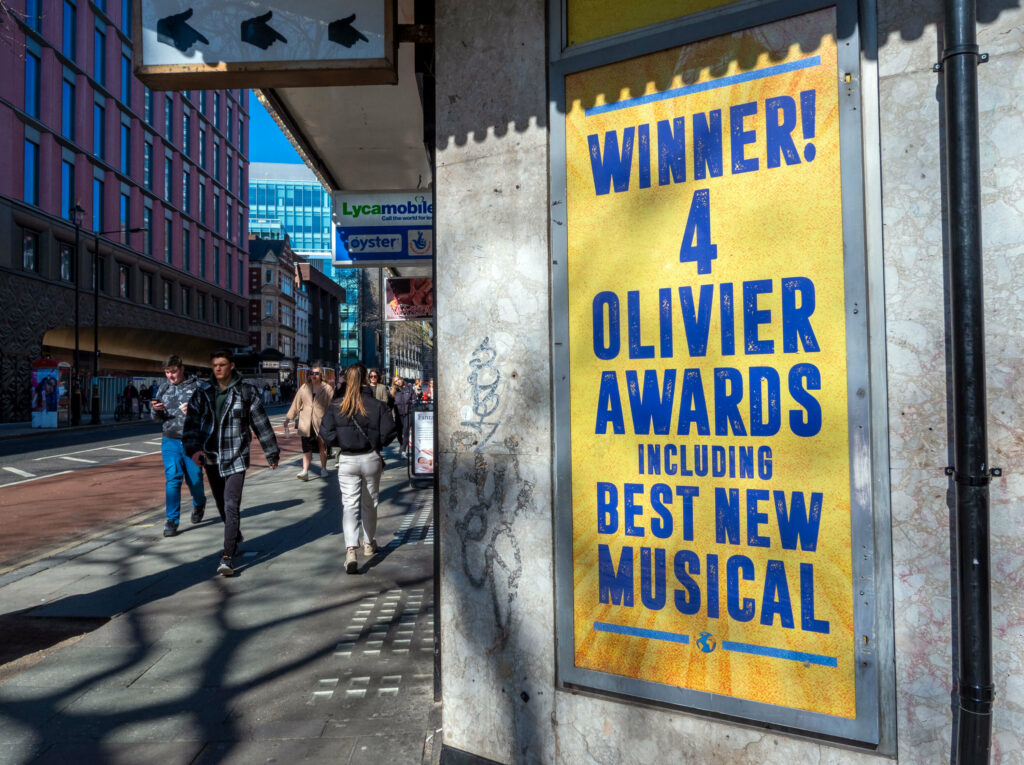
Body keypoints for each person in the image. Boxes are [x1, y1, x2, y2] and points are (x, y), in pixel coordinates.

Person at [184, 349, 280, 577]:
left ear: (232, 366)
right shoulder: (202, 392)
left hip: (236, 455)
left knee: (230, 505)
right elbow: (191, 423)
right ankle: (235, 535)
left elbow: (261, 422)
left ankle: (227, 556)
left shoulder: (246, 392)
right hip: (211, 456)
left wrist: (272, 453)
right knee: (220, 503)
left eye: (222, 364)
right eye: (214, 364)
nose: (217, 368)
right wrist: (193, 450)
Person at [319, 363, 398, 574]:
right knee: (370, 503)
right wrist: (376, 443)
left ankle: (351, 549)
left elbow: (325, 432)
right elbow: (389, 431)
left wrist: (342, 441)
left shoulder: (337, 405)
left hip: (347, 458)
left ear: (346, 379)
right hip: (371, 457)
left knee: (349, 505)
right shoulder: (377, 405)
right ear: (365, 379)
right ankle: (369, 543)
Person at [152, 355, 207, 537]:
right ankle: (172, 520)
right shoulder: (163, 388)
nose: (171, 376)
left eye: (173, 371)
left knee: (195, 480)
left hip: (193, 441)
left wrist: (196, 411)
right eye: (167, 372)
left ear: (182, 369)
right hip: (170, 439)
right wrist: (155, 410)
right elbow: (156, 418)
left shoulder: (198, 386)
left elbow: (211, 414)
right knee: (173, 478)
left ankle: (199, 503)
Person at [285, 361, 335, 481]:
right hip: (305, 422)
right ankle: (305, 471)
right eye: (312, 373)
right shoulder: (304, 387)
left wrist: (332, 422)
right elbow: (296, 404)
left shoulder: (327, 388)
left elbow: (331, 407)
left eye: (316, 373)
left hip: (320, 422)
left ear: (321, 375)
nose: (314, 375)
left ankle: (323, 469)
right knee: (306, 447)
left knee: (321, 446)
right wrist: (288, 418)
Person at [391, 376, 415, 455]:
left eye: (399, 380)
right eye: (396, 381)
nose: (398, 382)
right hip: (398, 414)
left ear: (401, 379)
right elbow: (390, 403)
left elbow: (414, 399)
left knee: (406, 431)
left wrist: (412, 404)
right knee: (398, 433)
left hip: (408, 413)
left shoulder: (409, 388)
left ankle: (404, 450)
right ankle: (403, 445)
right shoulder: (393, 392)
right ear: (394, 383)